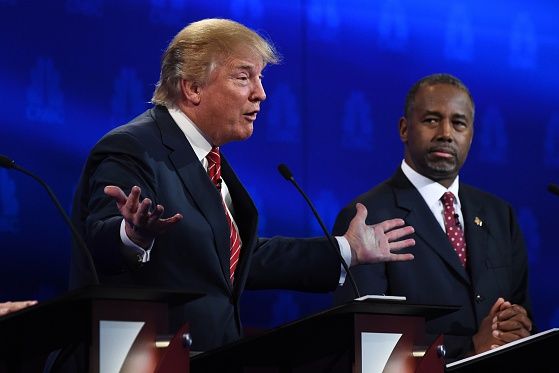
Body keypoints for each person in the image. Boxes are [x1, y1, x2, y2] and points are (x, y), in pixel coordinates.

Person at [69, 18, 416, 353]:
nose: (261, 94)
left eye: (260, 78)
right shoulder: (134, 147)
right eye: (243, 77)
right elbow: (99, 238)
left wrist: (346, 250)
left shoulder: (205, 156)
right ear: (193, 87)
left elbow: (239, 259)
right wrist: (133, 236)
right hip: (143, 358)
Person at [332, 73, 533, 362]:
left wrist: (517, 327)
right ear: (404, 129)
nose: (446, 133)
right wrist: (470, 349)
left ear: (471, 135)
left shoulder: (500, 215)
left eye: (459, 123)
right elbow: (364, 345)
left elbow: (522, 312)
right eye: (431, 120)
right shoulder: (366, 217)